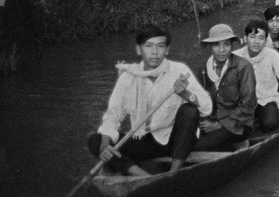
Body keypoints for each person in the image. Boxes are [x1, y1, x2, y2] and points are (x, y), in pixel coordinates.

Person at [87, 24, 212, 175]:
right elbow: (113, 115)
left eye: (160, 46)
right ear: (139, 49)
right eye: (148, 46)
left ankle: (172, 174)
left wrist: (185, 94)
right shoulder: (128, 77)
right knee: (95, 140)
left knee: (190, 110)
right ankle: (142, 176)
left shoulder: (179, 70)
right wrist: (105, 144)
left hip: (174, 140)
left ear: (167, 50)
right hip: (145, 141)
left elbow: (207, 107)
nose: (154, 52)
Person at [233, 20, 279, 131]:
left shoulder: (272, 55)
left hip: (266, 98)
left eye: (261, 38)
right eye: (253, 37)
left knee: (270, 124)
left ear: (266, 40)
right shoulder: (235, 56)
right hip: (242, 100)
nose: (257, 42)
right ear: (245, 38)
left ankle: (259, 117)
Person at [194, 24, 257, 151]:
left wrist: (219, 125)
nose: (221, 50)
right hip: (212, 121)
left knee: (198, 147)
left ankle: (237, 143)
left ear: (232, 45)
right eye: (216, 44)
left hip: (238, 124)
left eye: (226, 44)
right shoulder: (203, 69)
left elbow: (248, 105)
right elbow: (201, 101)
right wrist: (204, 123)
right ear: (210, 46)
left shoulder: (243, 67)